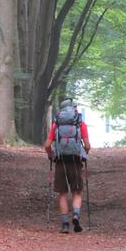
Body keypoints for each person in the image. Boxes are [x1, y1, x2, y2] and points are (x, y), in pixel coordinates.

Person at [44, 99, 90, 234]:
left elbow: (47, 145)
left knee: (63, 194)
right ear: (73, 109)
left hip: (60, 162)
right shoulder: (80, 123)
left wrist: (51, 155)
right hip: (76, 161)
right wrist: (83, 154)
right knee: (77, 192)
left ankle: (64, 224)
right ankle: (75, 215)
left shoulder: (56, 124)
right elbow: (87, 145)